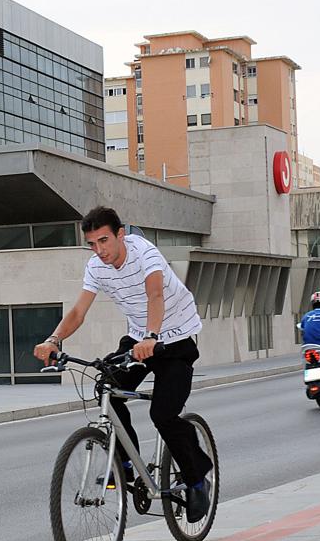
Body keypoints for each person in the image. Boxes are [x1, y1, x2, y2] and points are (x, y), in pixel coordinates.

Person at [33, 206, 212, 523]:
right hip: (139, 338)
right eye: (92, 244)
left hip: (177, 339)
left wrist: (152, 336)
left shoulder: (145, 254)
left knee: (163, 414)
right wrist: (53, 339)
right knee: (108, 389)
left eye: (104, 240)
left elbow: (155, 294)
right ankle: (126, 465)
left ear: (120, 235)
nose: (99, 250)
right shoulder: (96, 267)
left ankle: (197, 479)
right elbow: (78, 311)